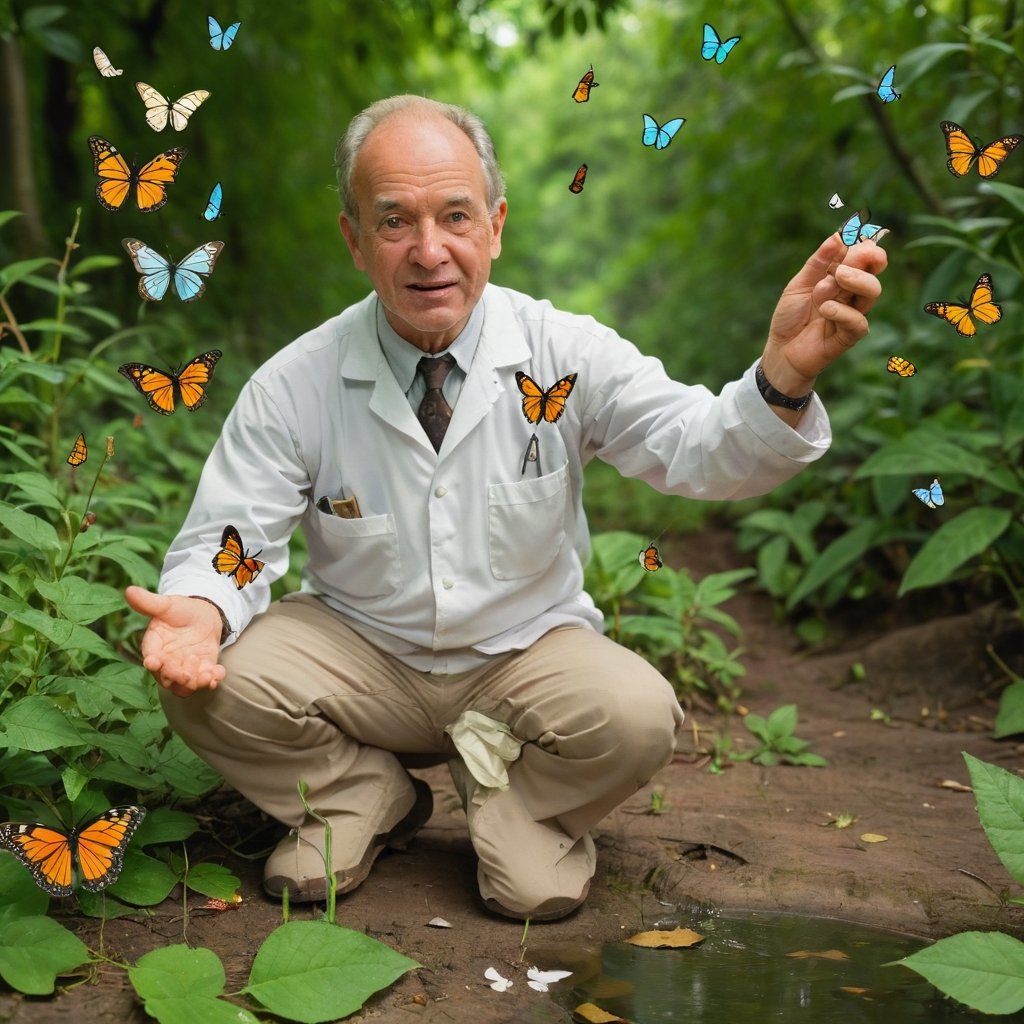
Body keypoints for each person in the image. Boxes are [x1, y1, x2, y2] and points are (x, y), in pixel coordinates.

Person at [125, 94, 886, 921]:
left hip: (525, 655)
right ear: (353, 239)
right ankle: (357, 797)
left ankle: (511, 806)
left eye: (455, 215)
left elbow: (696, 446)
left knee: (634, 719)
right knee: (205, 681)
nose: (429, 251)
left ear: (496, 225)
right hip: (362, 653)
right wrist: (200, 607)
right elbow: (232, 533)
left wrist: (782, 374)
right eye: (394, 222)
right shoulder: (297, 381)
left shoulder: (564, 351)